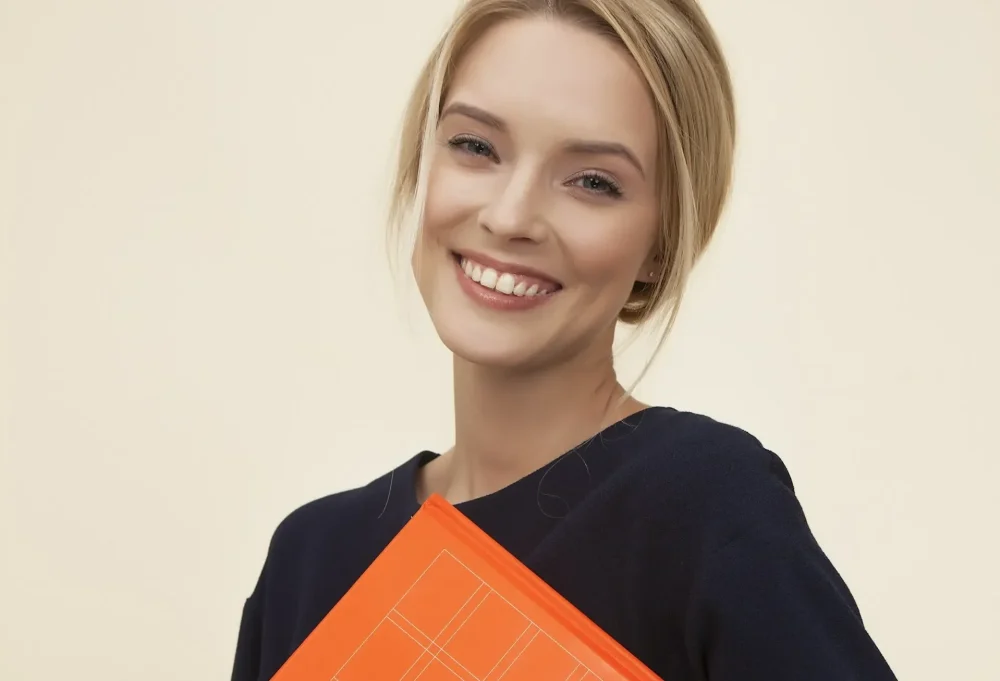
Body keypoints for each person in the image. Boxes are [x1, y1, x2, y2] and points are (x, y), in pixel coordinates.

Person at [230, 1, 897, 679]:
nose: (511, 215)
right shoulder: (310, 561)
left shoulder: (703, 507)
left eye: (593, 182)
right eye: (475, 146)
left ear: (661, 246)